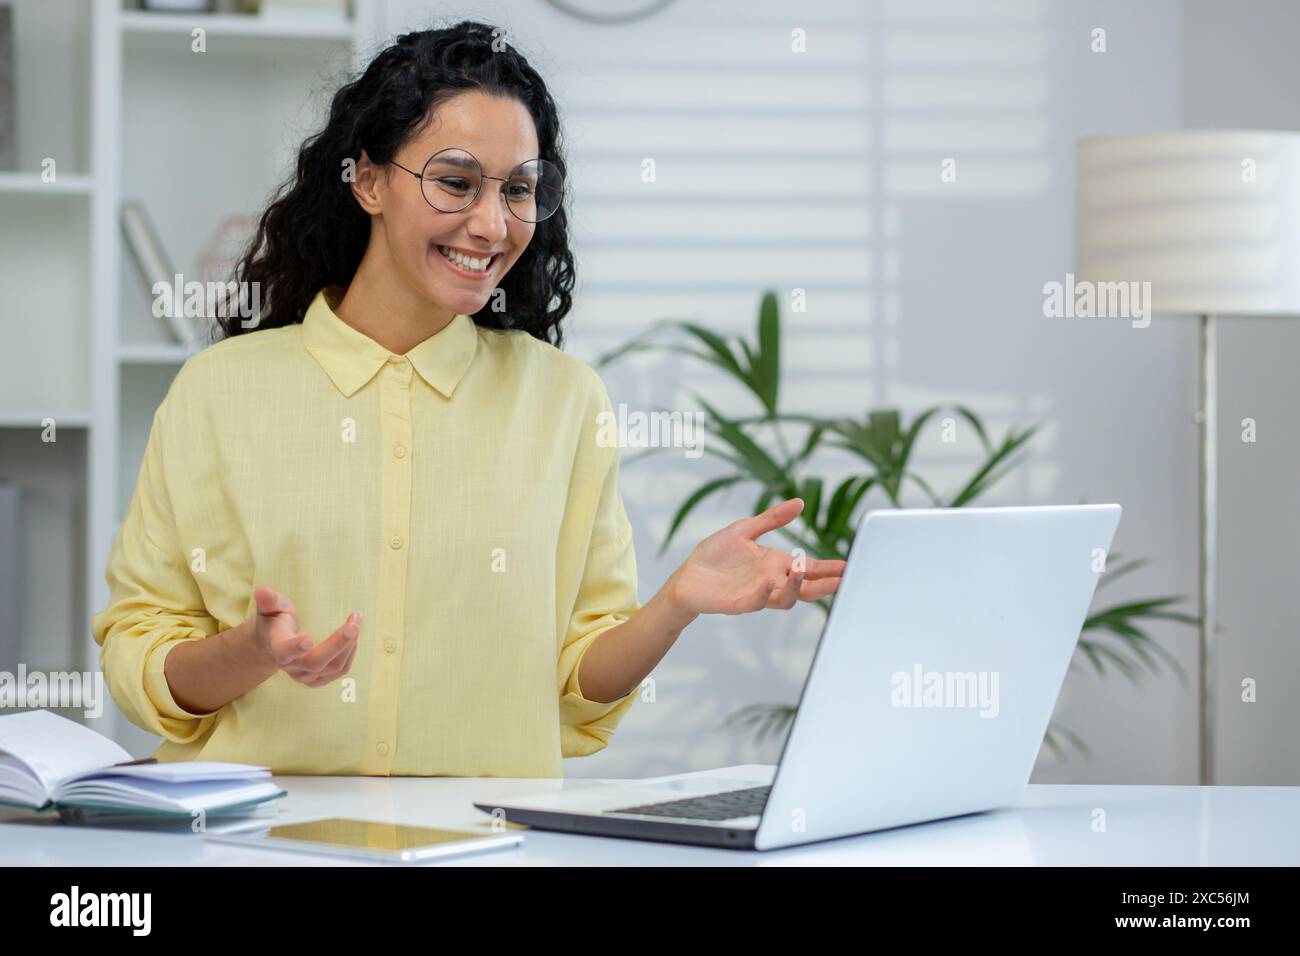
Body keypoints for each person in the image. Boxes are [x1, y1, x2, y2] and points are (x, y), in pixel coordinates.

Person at [92, 21, 844, 776]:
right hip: (263, 842)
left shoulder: (563, 401)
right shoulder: (219, 392)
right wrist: (250, 652)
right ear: (369, 181)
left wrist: (677, 602)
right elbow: (140, 655)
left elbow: (576, 688)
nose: (491, 224)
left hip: (490, 843)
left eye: (518, 189)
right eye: (455, 182)